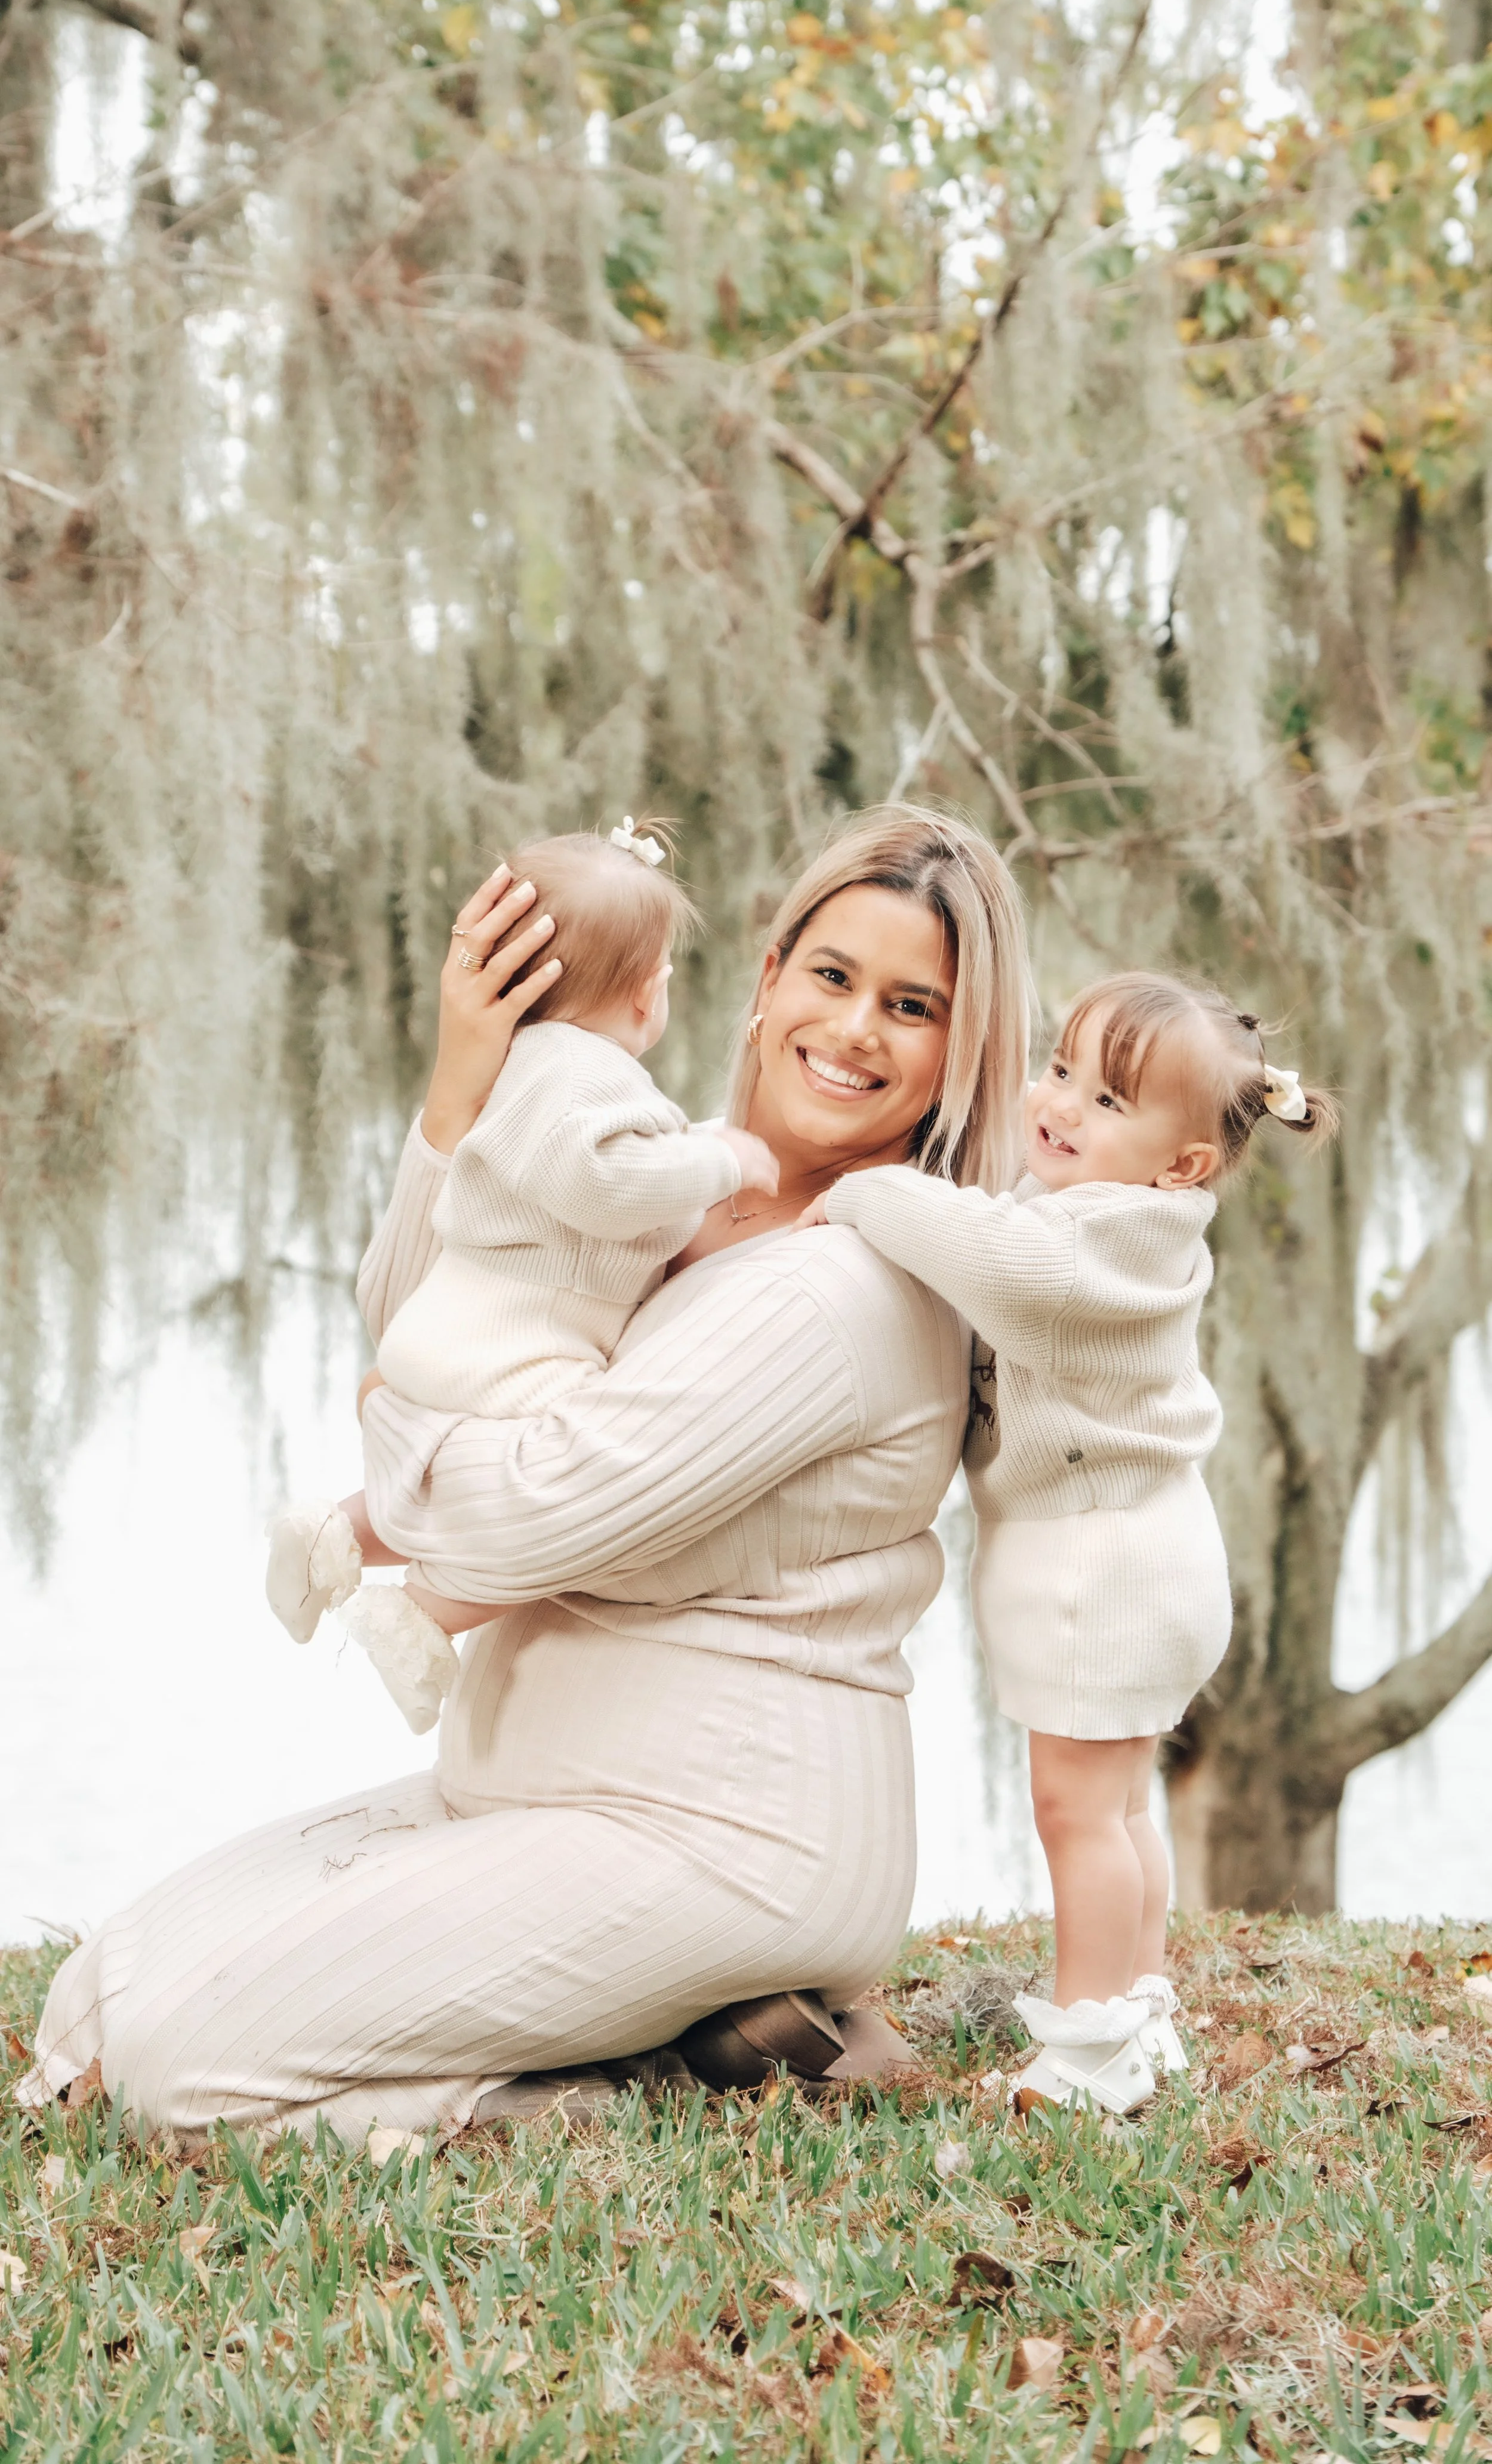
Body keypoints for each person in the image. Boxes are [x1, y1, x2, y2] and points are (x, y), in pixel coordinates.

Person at [21, 805, 1032, 2143]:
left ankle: (630, 2086)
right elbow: (428, 1322)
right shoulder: (663, 1179)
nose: (853, 1030)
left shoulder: (847, 1281)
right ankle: (684, 2032)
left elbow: (528, 1513)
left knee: (175, 2070)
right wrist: (463, 1087)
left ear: (958, 1054)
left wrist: (400, 1438)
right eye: (832, 976)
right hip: (521, 1791)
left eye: (911, 1007)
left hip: (719, 1828)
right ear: (768, 978)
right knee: (102, 1992)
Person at [813, 969, 1337, 2114]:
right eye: (1060, 1070)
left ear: (1182, 1164)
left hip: (1106, 1567)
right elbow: (1011, 1211)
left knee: (1077, 1812)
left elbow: (1004, 1262)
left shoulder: (1103, 1242)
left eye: (1105, 1102)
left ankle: (1089, 2056)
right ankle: (1139, 2013)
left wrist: (861, 1190)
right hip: (1141, 1554)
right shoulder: (1122, 1211)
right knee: (1123, 1805)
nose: (1056, 1105)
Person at [263, 817, 779, 1734]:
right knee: (585, 1489)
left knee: (457, 1479)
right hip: (518, 1352)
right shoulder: (595, 1076)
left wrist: (694, 1149)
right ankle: (422, 1615)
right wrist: (724, 1161)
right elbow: (604, 1179)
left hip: (445, 1335)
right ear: (644, 995)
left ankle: (333, 1533)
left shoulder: (519, 1070)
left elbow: (598, 1166)